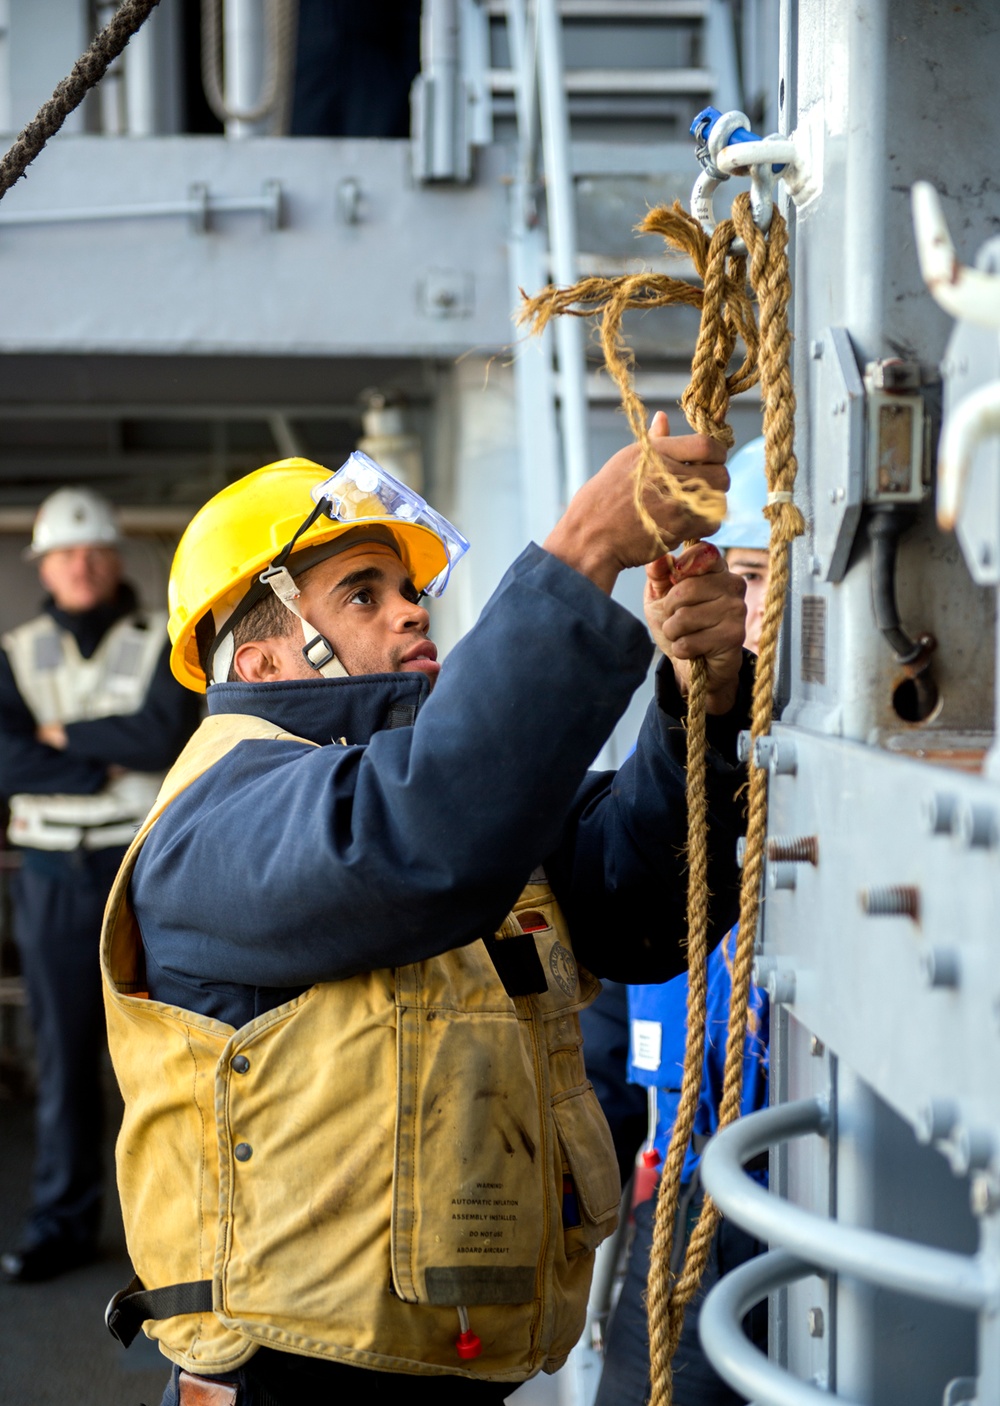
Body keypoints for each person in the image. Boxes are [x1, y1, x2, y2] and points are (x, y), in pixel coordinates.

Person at [101, 414, 755, 1406]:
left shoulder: (444, 800)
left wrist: (692, 700)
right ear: (260, 659)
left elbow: (635, 908)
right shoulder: (216, 819)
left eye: (410, 589)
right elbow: (416, 840)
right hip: (290, 1381)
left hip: (445, 1371)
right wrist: (584, 549)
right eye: (363, 592)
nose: (413, 613)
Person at [594, 435, 771, 1406]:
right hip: (690, 1172)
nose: (739, 615)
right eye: (730, 578)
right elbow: (612, 1002)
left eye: (763, 579)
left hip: (831, 1175)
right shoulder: (675, 751)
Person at [0, 488, 201, 1284]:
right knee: (63, 1053)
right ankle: (63, 1223)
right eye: (63, 553)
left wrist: (59, 738)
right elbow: (6, 761)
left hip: (141, 866)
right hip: (50, 870)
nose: (79, 564)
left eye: (92, 550)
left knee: (168, 1054)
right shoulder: (14, 650)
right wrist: (107, 756)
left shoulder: (163, 640)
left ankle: (186, 1236)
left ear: (115, 556)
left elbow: (164, 733)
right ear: (44, 566)